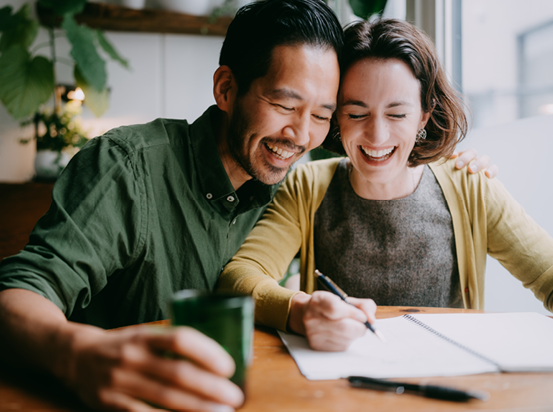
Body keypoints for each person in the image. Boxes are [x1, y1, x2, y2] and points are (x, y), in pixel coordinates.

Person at [0, 2, 489, 409]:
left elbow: (384, 147)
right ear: (227, 89)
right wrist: (80, 355)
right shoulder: (128, 166)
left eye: (322, 115)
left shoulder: (298, 171)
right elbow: (15, 299)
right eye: (284, 105)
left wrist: (452, 166)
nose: (301, 134)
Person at [217, 18, 553, 353]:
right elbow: (240, 277)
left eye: (397, 114)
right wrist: (300, 310)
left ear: (424, 114)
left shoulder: (470, 185)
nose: (377, 136)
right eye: (357, 113)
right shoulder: (307, 187)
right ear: (336, 117)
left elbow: (548, 274)